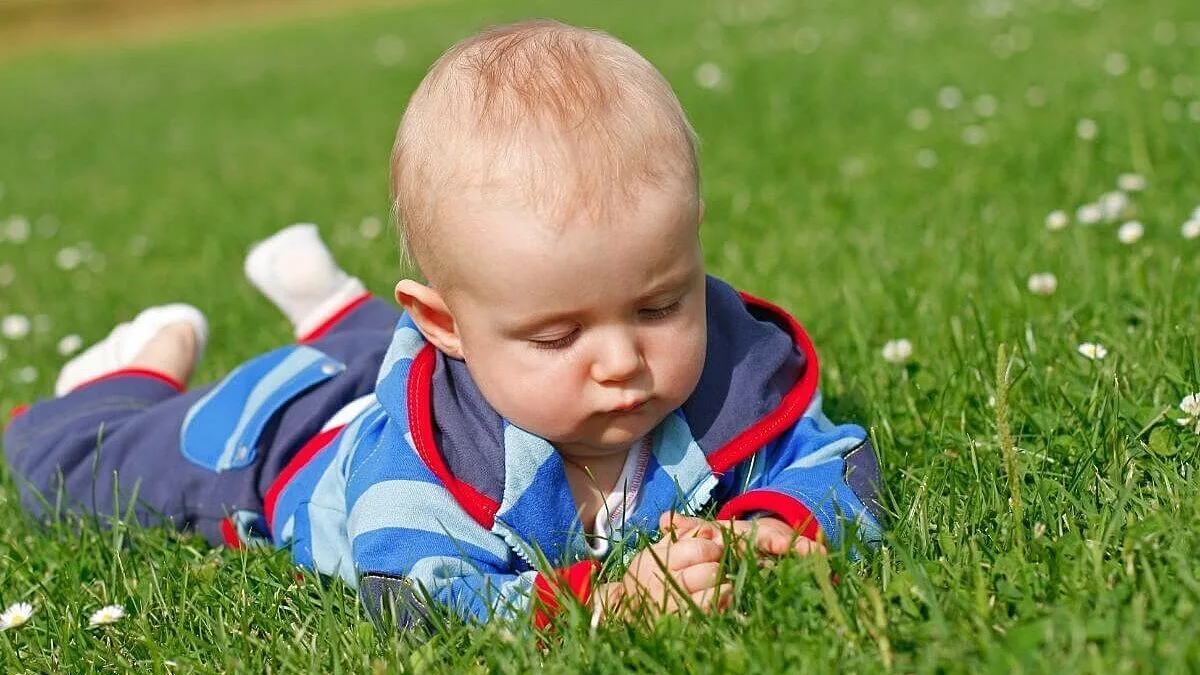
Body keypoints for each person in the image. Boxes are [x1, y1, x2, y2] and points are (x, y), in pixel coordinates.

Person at [2, 19, 884, 630]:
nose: (623, 360)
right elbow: (420, 596)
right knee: (102, 464)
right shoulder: (418, 473)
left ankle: (339, 313)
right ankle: (125, 378)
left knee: (359, 355)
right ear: (442, 323)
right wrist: (596, 605)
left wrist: (777, 526)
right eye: (557, 336)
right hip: (302, 438)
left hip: (427, 361)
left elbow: (834, 460)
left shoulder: (727, 382)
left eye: (659, 305)